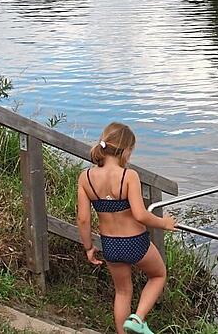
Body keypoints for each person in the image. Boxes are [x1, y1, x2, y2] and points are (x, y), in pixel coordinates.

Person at [76, 122, 176, 334]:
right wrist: (164, 223)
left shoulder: (86, 178)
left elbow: (83, 219)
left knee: (122, 292)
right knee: (158, 275)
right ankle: (138, 319)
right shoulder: (128, 176)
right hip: (135, 242)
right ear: (125, 150)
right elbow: (140, 214)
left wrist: (88, 247)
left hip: (110, 245)